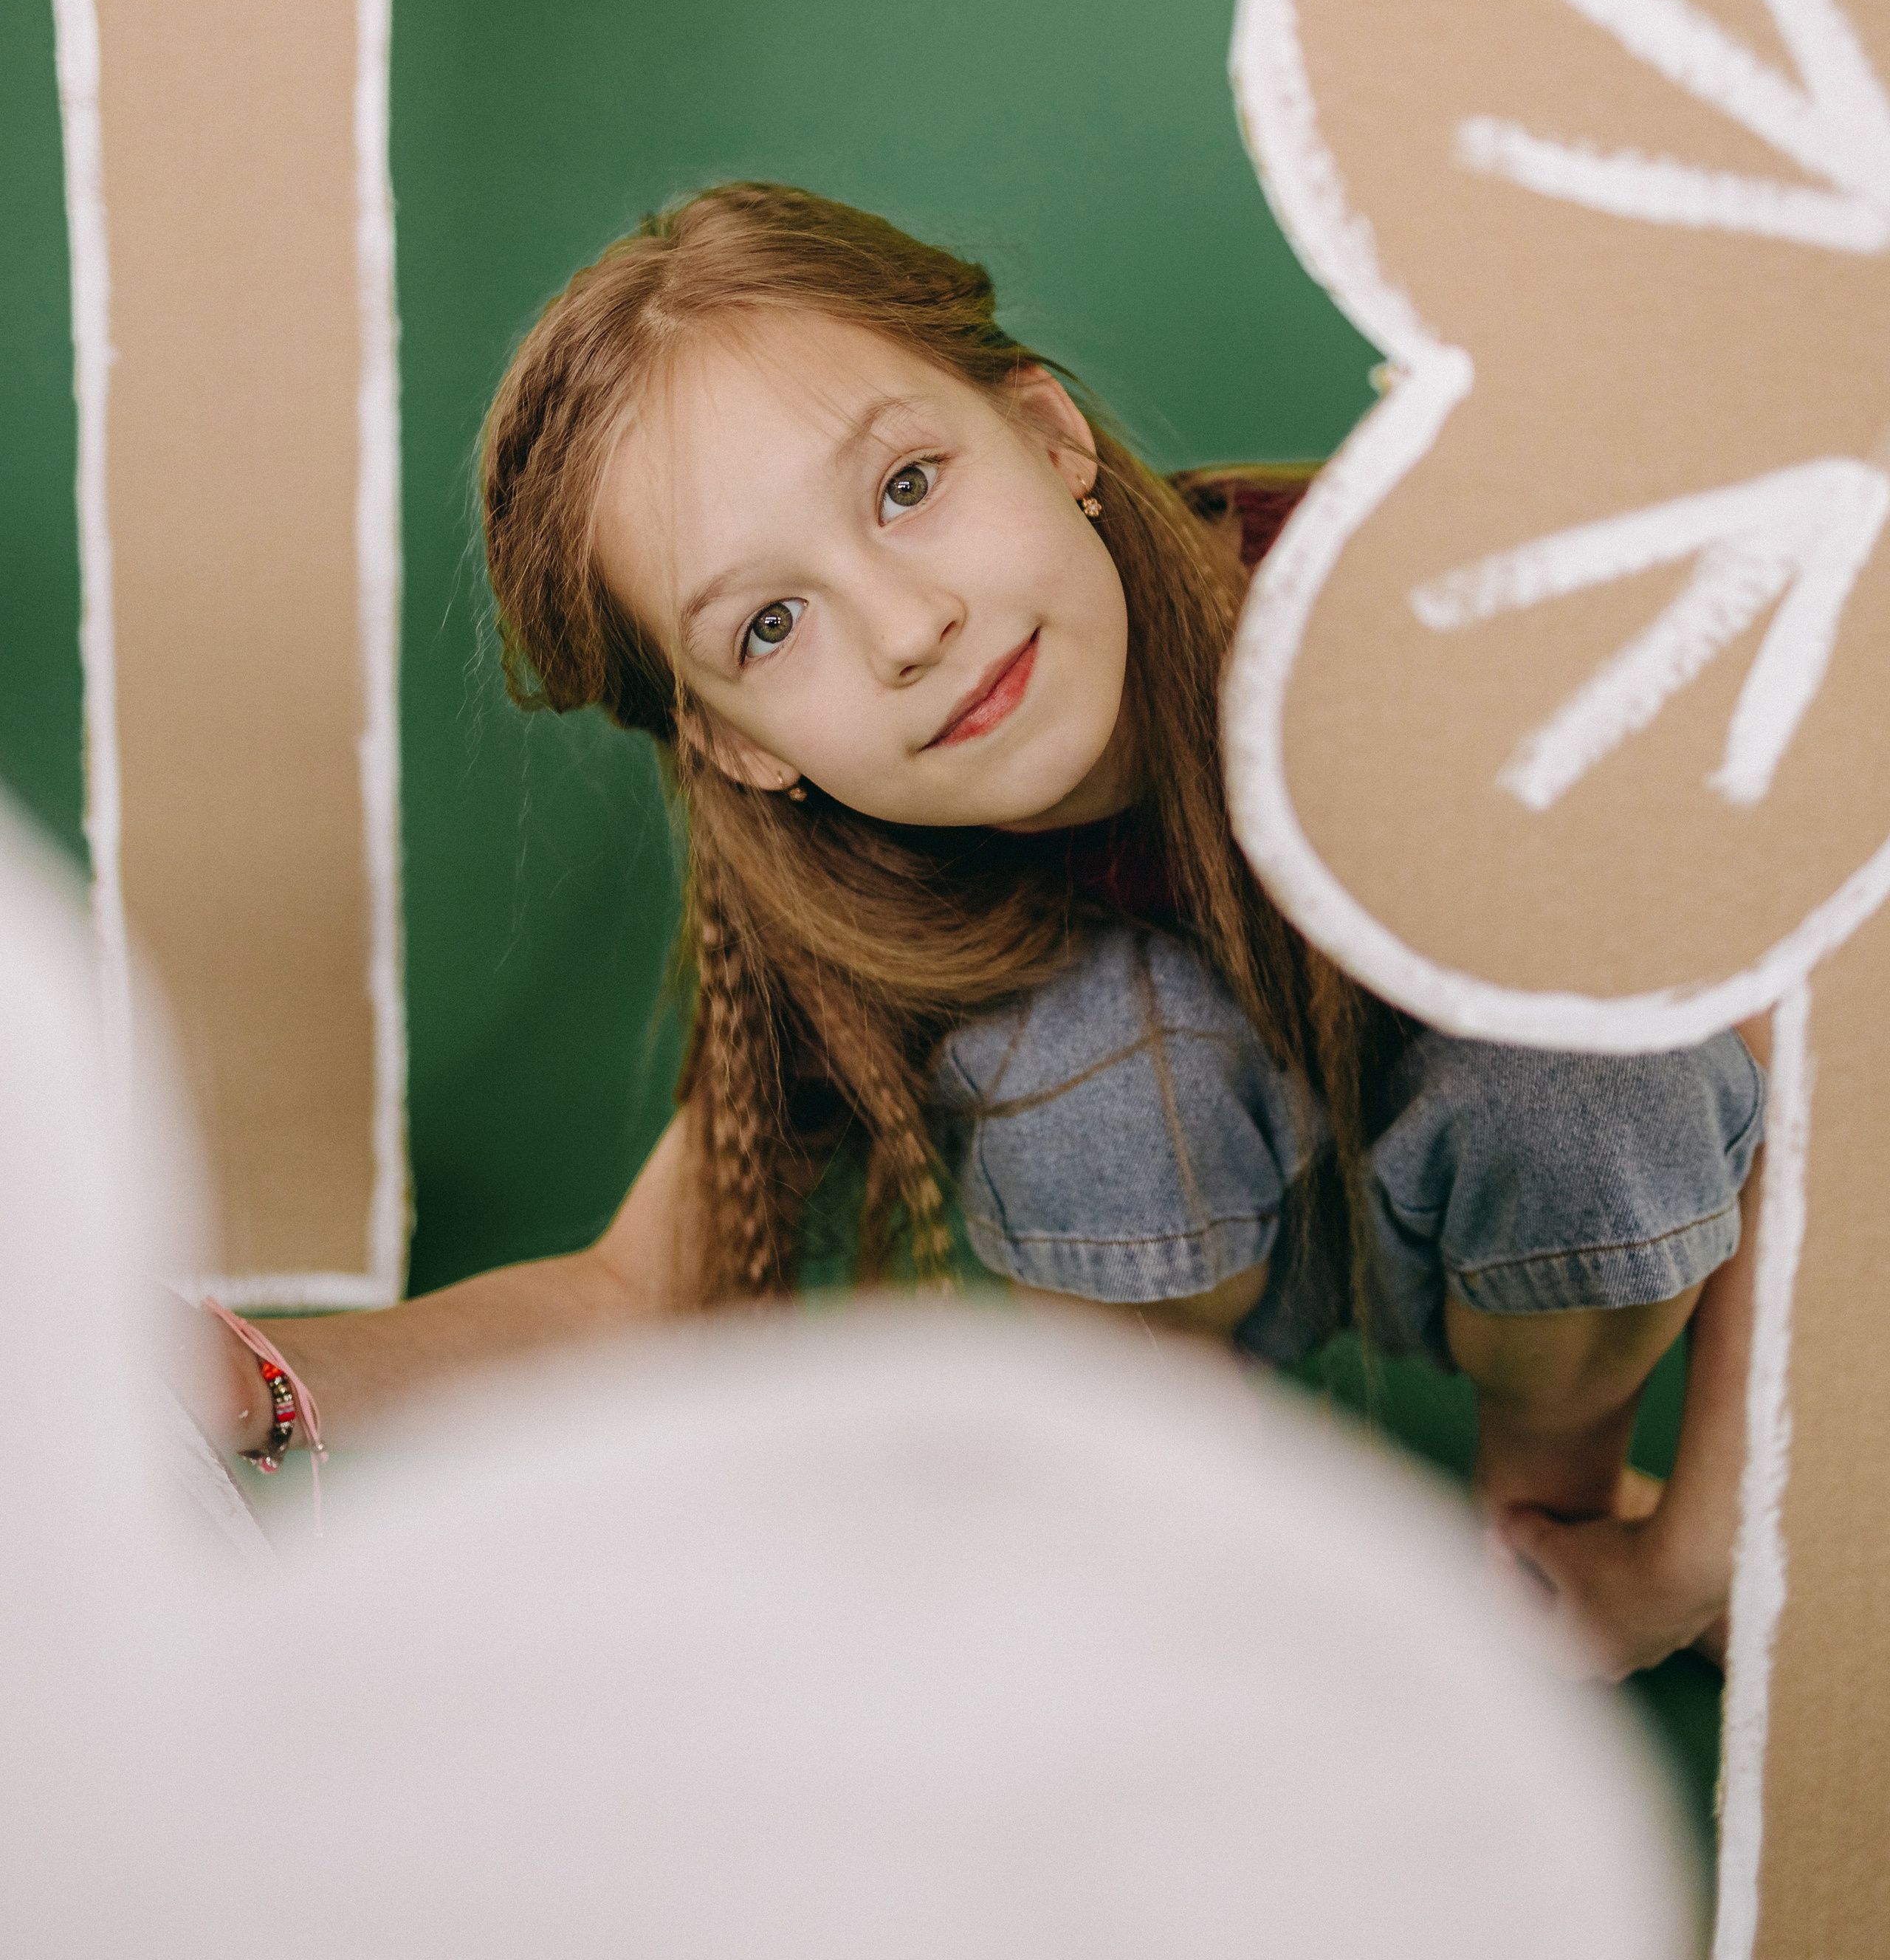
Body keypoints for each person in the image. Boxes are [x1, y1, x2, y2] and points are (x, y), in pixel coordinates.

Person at [178, 183, 1766, 1677]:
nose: (908, 625)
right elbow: (625, 1286)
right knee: (1091, 1041)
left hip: (1536, 1220)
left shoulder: (1388, 624)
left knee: (1592, 1055)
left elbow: (1810, 1044)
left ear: (1045, 432)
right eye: (770, 624)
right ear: (740, 743)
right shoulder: (862, 895)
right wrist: (244, 1375)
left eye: (906, 486)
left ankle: (1544, 1516)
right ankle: (1198, 1538)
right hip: (1190, 1308)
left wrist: (1689, 1557)